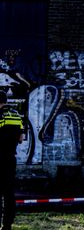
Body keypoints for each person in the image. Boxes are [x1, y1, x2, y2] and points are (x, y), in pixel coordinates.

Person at [0, 92, 25, 230]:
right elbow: (21, 138)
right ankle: (7, 225)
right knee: (9, 193)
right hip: (10, 158)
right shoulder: (16, 115)